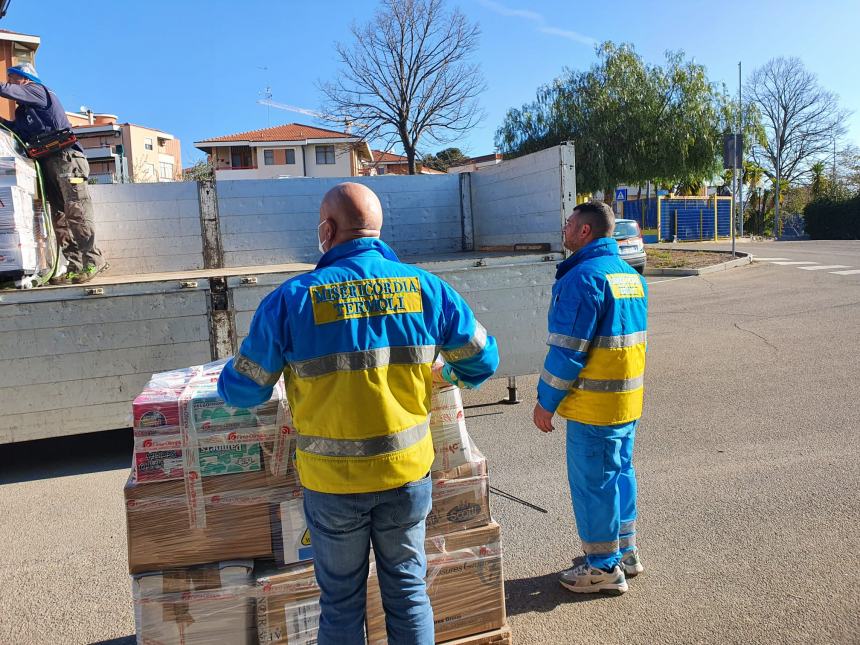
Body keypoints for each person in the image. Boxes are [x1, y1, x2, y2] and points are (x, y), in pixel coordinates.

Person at [218, 182, 499, 644]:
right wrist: (447, 377)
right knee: (408, 592)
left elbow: (245, 391)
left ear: (327, 230)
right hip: (406, 476)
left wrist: (227, 375)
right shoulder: (426, 289)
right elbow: (483, 361)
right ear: (376, 229)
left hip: (332, 484)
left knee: (341, 603)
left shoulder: (292, 300)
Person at [533, 201, 648, 595]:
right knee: (619, 477)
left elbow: (567, 352)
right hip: (626, 403)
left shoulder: (583, 278)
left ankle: (602, 569)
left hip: (594, 409)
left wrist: (545, 402)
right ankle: (626, 553)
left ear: (584, 232)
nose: (563, 229)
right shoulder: (630, 276)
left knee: (594, 485)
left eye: (568, 223)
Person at [0, 62, 106, 284]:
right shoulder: (23, 112)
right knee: (58, 217)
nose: (10, 83)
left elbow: (6, 90)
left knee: (76, 209)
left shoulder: (39, 91)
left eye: (13, 78)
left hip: (67, 160)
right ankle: (75, 266)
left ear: (25, 79)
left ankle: (93, 260)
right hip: (47, 164)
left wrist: (6, 87)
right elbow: (17, 131)